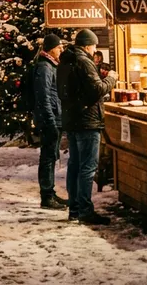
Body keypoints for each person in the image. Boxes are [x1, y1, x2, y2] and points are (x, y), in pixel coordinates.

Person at [57, 29, 117, 225]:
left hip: (73, 120)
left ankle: (74, 208)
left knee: (75, 165)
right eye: (94, 45)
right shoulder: (84, 61)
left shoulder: (65, 61)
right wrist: (111, 79)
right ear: (87, 45)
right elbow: (96, 90)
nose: (95, 49)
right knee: (88, 167)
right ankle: (85, 211)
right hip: (87, 121)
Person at [33, 34, 67, 210]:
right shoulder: (45, 67)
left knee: (52, 156)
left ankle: (50, 192)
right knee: (47, 157)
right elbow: (43, 96)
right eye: (59, 47)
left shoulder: (51, 65)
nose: (61, 50)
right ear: (51, 48)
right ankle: (46, 196)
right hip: (50, 118)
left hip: (54, 116)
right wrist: (50, 120)